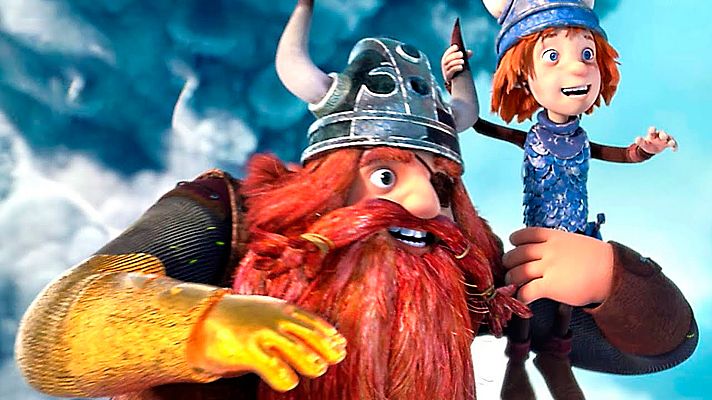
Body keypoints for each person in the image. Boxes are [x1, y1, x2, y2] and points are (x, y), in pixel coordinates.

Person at [16, 1, 696, 400]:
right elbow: (55, 333)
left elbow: (658, 351)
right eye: (386, 177)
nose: (424, 204)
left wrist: (611, 280)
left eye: (441, 183)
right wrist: (204, 327)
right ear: (329, 180)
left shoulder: (462, 266)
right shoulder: (232, 220)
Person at [441, 1, 683, 398]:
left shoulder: (581, 140)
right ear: (523, 77)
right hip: (537, 239)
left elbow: (621, 154)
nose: (578, 68)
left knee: (568, 302)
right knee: (525, 294)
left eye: (586, 53)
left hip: (577, 234)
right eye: (552, 56)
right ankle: (519, 353)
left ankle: (555, 351)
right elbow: (476, 124)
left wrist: (645, 149)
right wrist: (457, 81)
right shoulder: (533, 138)